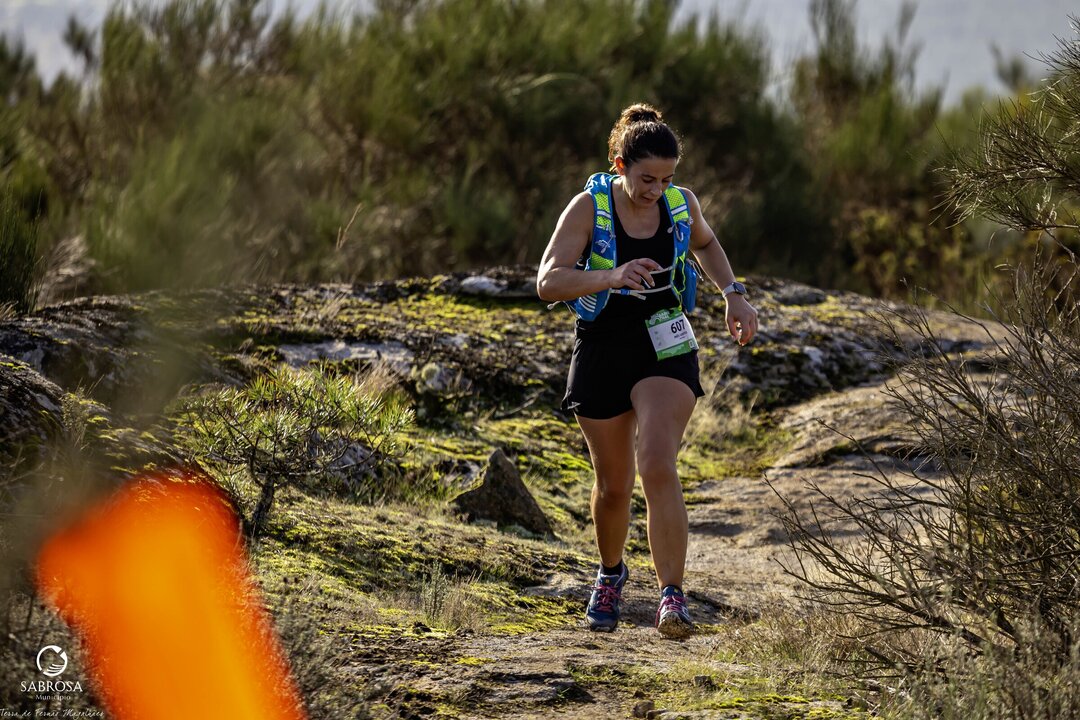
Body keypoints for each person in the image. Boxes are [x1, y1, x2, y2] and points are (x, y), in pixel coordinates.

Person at [535, 103, 759, 638]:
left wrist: (733, 294)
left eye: (666, 179)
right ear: (620, 166)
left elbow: (705, 242)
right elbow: (548, 282)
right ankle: (611, 573)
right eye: (646, 180)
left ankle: (672, 597)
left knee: (657, 463)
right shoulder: (589, 209)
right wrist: (612, 275)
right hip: (603, 345)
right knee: (614, 486)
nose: (656, 190)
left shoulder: (681, 204)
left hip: (666, 344)